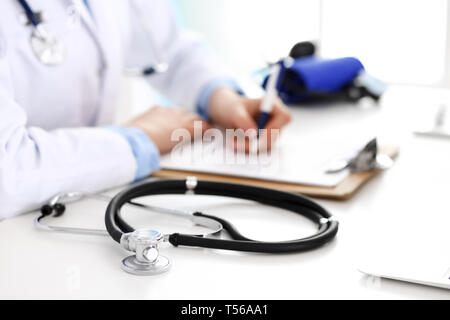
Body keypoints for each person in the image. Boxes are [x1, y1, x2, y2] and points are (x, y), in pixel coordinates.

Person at [0, 0, 291, 218]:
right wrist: (136, 140)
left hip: (83, 206)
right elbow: (7, 178)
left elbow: (165, 45)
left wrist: (219, 96)